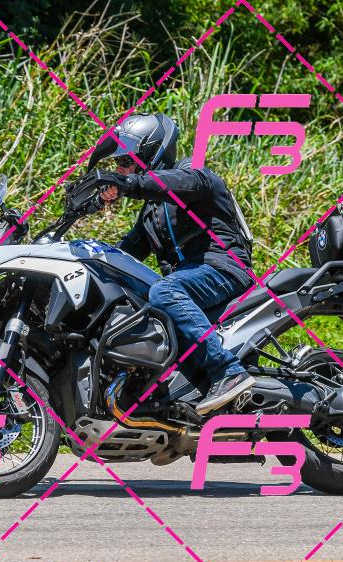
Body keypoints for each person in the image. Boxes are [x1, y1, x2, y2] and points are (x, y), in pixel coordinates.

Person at [93, 112, 257, 415]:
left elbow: (176, 183)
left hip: (223, 267)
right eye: (118, 165)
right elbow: (124, 256)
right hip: (190, 281)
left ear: (151, 153)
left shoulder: (191, 173)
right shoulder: (150, 214)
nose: (120, 169)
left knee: (163, 291)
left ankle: (228, 372)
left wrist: (128, 184)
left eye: (126, 162)